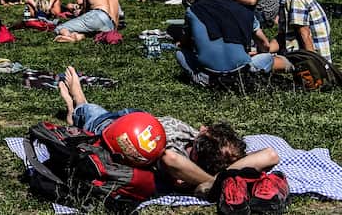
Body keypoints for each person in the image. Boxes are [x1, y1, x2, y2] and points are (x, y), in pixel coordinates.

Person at [56, 66, 280, 196]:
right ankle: (75, 110)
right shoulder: (199, 147)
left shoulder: (179, 159)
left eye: (204, 131)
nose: (200, 128)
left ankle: (77, 101)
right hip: (139, 118)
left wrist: (209, 184)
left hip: (117, 131)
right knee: (92, 114)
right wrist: (218, 179)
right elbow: (270, 154)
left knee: (92, 113)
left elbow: (171, 159)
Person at [175, 0, 287, 83]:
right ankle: (293, 67)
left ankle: (200, 78)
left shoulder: (193, 11)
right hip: (242, 73)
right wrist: (254, 52)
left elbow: (184, 43)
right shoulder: (245, 12)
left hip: (210, 76)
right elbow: (265, 45)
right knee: (267, 57)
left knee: (180, 53)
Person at [266, 0, 331, 62]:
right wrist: (264, 50)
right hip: (302, 53)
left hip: (313, 54)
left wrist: (313, 65)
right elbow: (283, 36)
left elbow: (305, 33)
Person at [54, 0, 119, 43]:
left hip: (97, 16)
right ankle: (79, 36)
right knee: (90, 30)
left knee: (59, 28)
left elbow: (85, 10)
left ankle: (68, 36)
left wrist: (80, 12)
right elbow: (118, 11)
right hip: (112, 24)